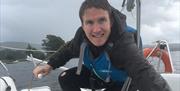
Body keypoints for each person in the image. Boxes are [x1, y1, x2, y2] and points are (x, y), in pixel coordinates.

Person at [33, 0, 171, 91]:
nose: (96, 29)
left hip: (121, 83)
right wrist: (49, 65)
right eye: (90, 22)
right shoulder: (81, 37)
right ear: (83, 25)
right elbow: (68, 50)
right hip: (98, 76)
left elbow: (143, 72)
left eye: (101, 20)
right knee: (65, 77)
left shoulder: (123, 43)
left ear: (110, 21)